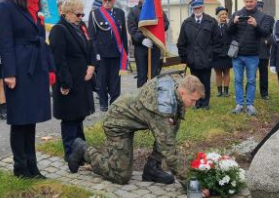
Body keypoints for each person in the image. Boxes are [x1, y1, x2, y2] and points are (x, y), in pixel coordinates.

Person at [66, 74, 205, 186]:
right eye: (193, 100)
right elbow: (168, 149)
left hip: (129, 119)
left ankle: (152, 168)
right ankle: (83, 150)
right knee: (120, 176)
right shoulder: (164, 107)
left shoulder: (173, 95)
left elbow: (168, 135)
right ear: (182, 93)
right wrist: (190, 183)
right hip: (117, 123)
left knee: (170, 128)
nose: (194, 104)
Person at [0, 0, 56, 179]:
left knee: (30, 120)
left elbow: (42, 40)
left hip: (36, 68)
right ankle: (20, 166)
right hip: (20, 69)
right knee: (19, 120)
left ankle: (33, 166)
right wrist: (10, 73)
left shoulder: (35, 9)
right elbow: (5, 42)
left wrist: (50, 67)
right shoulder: (7, 7)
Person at [49, 0, 96, 161]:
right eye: (78, 14)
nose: (81, 18)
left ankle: (81, 152)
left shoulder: (80, 26)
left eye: (82, 14)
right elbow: (58, 60)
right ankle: (71, 155)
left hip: (82, 81)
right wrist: (65, 83)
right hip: (68, 82)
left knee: (79, 118)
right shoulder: (59, 30)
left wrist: (92, 65)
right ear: (67, 13)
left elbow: (90, 46)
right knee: (69, 119)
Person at [227, 0, 271, 116]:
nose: (249, 4)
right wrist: (233, 22)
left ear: (256, 1)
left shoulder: (262, 16)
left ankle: (250, 104)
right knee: (238, 80)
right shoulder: (237, 14)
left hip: (253, 54)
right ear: (244, 1)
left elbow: (266, 33)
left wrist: (256, 25)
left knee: (251, 80)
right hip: (238, 54)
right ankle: (239, 104)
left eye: (251, 1)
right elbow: (228, 32)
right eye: (246, 1)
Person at [88, 0, 127, 112]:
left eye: (110, 0)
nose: (107, 2)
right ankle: (103, 104)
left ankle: (115, 103)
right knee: (101, 81)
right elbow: (92, 36)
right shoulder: (95, 14)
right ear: (102, 0)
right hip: (102, 54)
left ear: (113, 1)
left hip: (116, 53)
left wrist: (125, 52)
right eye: (105, 0)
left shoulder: (120, 13)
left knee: (115, 81)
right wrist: (95, 53)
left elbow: (123, 34)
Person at [177, 0, 218, 109]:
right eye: (195, 8)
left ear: (203, 7)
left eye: (199, 7)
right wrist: (185, 58)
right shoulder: (186, 23)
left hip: (206, 60)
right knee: (194, 83)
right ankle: (196, 103)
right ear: (192, 9)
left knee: (205, 82)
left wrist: (212, 56)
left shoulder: (211, 22)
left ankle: (205, 103)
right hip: (193, 60)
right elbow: (181, 42)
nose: (197, 10)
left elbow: (217, 42)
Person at [127, 0, 169, 87]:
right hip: (141, 47)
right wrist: (142, 39)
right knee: (142, 76)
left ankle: (153, 98)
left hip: (154, 47)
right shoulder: (134, 11)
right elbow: (132, 30)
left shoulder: (157, 10)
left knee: (154, 75)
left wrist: (155, 32)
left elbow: (165, 23)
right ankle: (142, 99)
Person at [211, 6, 233, 97]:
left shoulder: (230, 25)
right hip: (216, 53)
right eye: (222, 14)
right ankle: (219, 91)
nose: (224, 16)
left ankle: (226, 91)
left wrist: (229, 24)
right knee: (218, 73)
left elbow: (233, 37)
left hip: (227, 53)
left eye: (225, 14)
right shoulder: (214, 26)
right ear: (218, 16)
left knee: (226, 72)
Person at [256, 1, 275, 100]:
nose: (258, 10)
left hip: (263, 50)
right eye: (257, 8)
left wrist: (269, 42)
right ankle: (248, 91)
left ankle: (264, 93)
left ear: (262, 8)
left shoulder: (269, 19)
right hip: (253, 51)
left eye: (260, 8)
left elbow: (273, 33)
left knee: (263, 74)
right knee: (251, 74)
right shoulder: (251, 18)